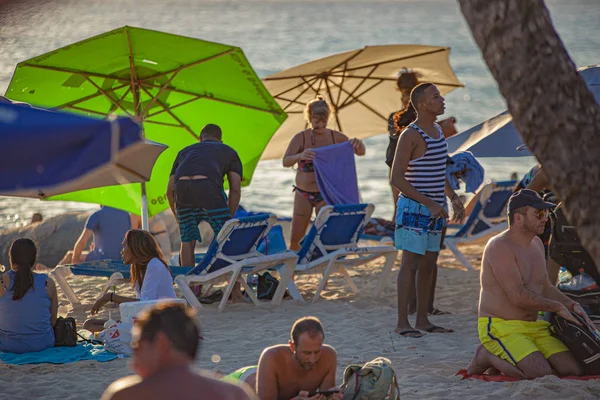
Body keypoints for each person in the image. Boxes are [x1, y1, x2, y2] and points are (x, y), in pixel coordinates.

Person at [467, 189, 591, 379]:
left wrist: (572, 305)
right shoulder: (499, 246)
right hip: (502, 326)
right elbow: (517, 296)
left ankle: (513, 356)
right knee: (540, 373)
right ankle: (487, 355)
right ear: (519, 218)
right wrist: (557, 307)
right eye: (539, 214)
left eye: (546, 213)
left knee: (573, 370)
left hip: (533, 326)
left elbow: (546, 287)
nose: (545, 219)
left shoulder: (537, 244)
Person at [390, 83, 465, 338]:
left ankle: (422, 319)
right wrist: (429, 203)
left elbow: (437, 171)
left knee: (430, 264)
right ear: (422, 104)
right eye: (436, 97)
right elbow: (396, 178)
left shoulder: (437, 131)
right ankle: (403, 323)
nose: (442, 100)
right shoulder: (411, 135)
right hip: (414, 209)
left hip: (436, 209)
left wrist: (452, 197)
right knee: (409, 264)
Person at [101, 302, 255, 400]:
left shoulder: (127, 395)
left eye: (137, 348)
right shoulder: (234, 394)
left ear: (161, 343)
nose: (132, 364)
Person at [283, 96, 366, 251]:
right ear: (309, 118)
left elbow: (360, 153)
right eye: (316, 122)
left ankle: (319, 262)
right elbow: (286, 161)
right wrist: (300, 156)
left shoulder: (336, 137)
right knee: (296, 237)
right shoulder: (301, 138)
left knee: (324, 235)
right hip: (303, 193)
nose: (320, 125)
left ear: (328, 118)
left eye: (323, 122)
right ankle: (293, 271)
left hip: (326, 193)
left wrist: (358, 144)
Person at [166, 123, 242, 269]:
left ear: (200, 138)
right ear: (220, 140)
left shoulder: (184, 152)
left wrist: (178, 218)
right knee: (226, 238)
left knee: (187, 241)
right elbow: (235, 189)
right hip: (208, 189)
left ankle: (190, 285)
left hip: (182, 191)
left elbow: (169, 191)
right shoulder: (228, 151)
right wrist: (228, 222)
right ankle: (234, 290)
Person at [84, 230, 176, 332]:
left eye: (124, 246)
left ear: (135, 247)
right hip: (148, 319)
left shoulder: (154, 265)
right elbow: (142, 304)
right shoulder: (139, 268)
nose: (121, 251)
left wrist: (110, 297)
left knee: (94, 327)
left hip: (162, 322)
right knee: (89, 324)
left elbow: (145, 303)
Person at [256, 316, 342, 400]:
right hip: (247, 377)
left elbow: (325, 395)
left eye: (317, 352)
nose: (313, 359)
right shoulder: (271, 357)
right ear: (292, 346)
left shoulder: (328, 356)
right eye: (306, 353)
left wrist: (332, 397)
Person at [0, 238, 57, 353]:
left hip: (8, 346)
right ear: (34, 260)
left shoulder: (2, 282)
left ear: (11, 259)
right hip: (43, 344)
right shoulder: (48, 283)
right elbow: (53, 321)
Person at [59, 205, 131, 265]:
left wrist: (75, 263)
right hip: (121, 260)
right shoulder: (126, 214)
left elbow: (81, 243)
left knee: (70, 255)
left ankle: (52, 275)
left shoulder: (97, 215)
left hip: (102, 260)